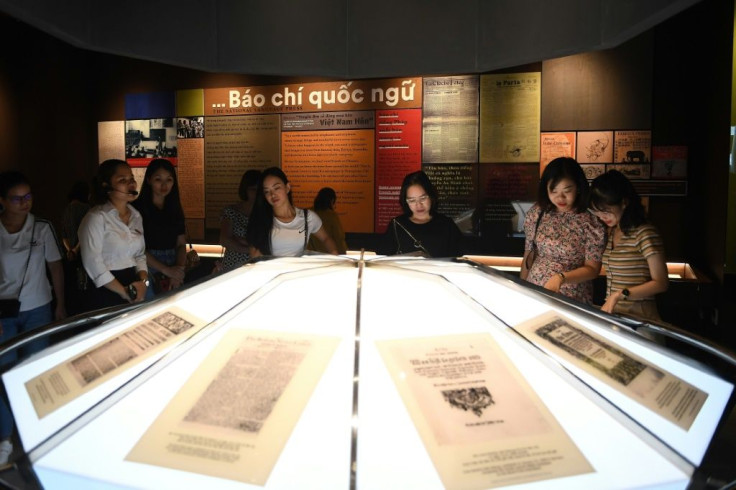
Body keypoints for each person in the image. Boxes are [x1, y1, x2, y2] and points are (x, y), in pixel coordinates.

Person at [0, 171, 66, 464]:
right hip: (3, 312)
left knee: (33, 373)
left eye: (28, 197)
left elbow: (55, 268)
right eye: (17, 198)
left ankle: (32, 434)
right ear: (2, 201)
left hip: (38, 307)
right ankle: (5, 437)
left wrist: (60, 305)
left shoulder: (41, 227)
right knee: (4, 374)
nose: (24, 203)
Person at [520, 157, 605, 304]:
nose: (560, 198)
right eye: (553, 191)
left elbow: (593, 269)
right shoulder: (538, 213)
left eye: (567, 190)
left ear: (578, 187)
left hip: (572, 297)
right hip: (536, 290)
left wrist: (561, 278)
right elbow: (529, 254)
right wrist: (521, 289)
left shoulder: (591, 222)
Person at [589, 170, 668, 320]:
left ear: (624, 202)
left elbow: (661, 283)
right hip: (615, 315)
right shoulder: (612, 231)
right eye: (598, 212)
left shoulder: (645, 233)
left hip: (640, 316)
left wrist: (619, 295)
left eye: (606, 210)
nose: (602, 216)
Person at [78, 159, 149, 310]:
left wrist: (143, 283)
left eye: (132, 179)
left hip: (133, 284)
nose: (131, 184)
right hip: (106, 289)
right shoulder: (96, 217)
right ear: (106, 186)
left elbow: (140, 255)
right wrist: (123, 292)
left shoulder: (136, 216)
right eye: (122, 180)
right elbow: (93, 263)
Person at [246, 167, 338, 257]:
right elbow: (255, 256)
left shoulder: (307, 217)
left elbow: (326, 238)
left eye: (277, 188)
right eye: (267, 191)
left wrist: (334, 255)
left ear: (287, 187)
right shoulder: (261, 220)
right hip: (273, 271)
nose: (272, 194)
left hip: (298, 271)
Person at [133, 159, 187, 296]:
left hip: (174, 264)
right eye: (158, 179)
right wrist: (166, 270)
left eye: (169, 180)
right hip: (146, 267)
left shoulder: (174, 208)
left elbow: (181, 244)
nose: (164, 185)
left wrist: (178, 270)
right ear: (149, 180)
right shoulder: (136, 209)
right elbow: (138, 249)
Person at [380, 170, 462, 257]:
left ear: (431, 195)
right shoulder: (397, 224)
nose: (418, 205)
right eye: (412, 200)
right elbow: (385, 259)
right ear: (405, 201)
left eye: (423, 198)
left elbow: (457, 258)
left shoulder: (446, 224)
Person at [218, 169, 261, 272]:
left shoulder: (264, 213)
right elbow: (224, 240)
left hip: (257, 266)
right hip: (233, 265)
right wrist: (252, 249)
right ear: (245, 189)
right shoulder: (231, 211)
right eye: (252, 189)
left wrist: (238, 240)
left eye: (259, 189)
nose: (256, 193)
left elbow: (266, 241)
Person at [61, 180, 91, 314]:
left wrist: (70, 250)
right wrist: (76, 249)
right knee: (83, 285)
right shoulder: (87, 209)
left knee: (71, 285)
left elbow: (64, 234)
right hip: (82, 253)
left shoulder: (67, 208)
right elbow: (85, 233)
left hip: (69, 254)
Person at [308, 187, 347, 254]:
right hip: (328, 255)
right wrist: (344, 254)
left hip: (309, 255)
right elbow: (338, 238)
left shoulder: (308, 213)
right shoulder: (331, 216)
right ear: (332, 201)